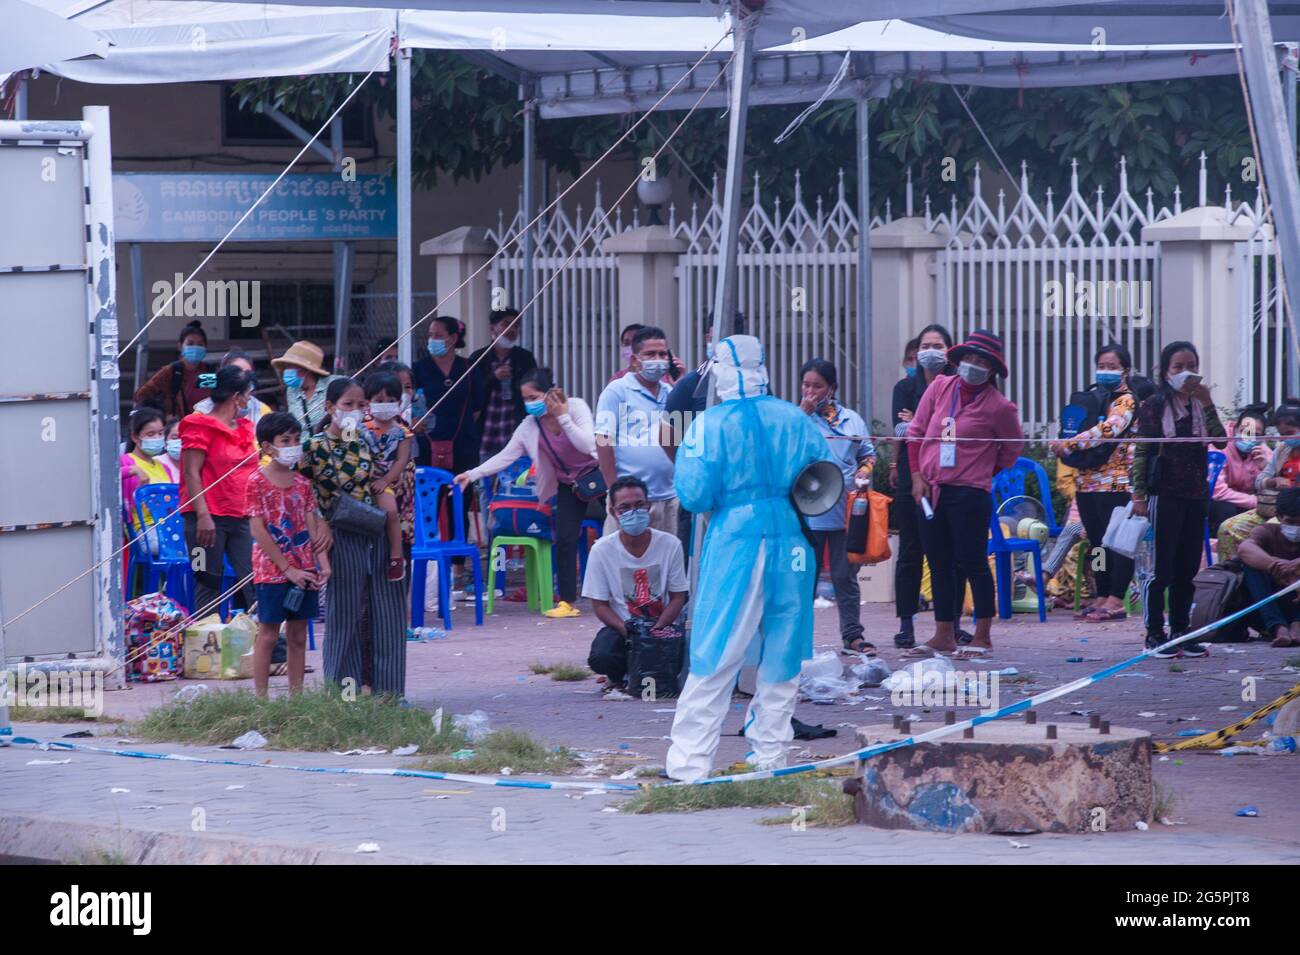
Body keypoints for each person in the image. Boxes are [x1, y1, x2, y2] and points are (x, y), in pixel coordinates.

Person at [666, 335, 834, 782]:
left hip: (736, 540)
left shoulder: (707, 425)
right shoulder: (795, 419)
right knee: (783, 651)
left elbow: (694, 494)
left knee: (716, 648)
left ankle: (690, 765)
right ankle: (771, 759)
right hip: (793, 540)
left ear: (719, 369)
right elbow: (823, 478)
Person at [905, 329, 1024, 659]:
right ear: (958, 361)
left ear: (991, 369)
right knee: (939, 562)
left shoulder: (1001, 407)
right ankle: (944, 634)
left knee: (972, 562)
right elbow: (915, 433)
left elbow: (1011, 450)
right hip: (931, 489)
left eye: (981, 361)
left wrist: (982, 470)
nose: (973, 365)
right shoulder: (940, 387)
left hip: (970, 493)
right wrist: (917, 476)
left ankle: (982, 636)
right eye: (969, 359)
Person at [455, 367, 597, 619]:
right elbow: (505, 456)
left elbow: (587, 444)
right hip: (570, 485)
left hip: (598, 476)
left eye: (535, 397)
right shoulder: (529, 426)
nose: (530, 403)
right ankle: (567, 601)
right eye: (526, 399)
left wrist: (563, 416)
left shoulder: (575, 407)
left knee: (616, 530)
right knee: (565, 538)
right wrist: (472, 474)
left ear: (551, 392)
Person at [299, 377, 408, 697]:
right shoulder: (313, 446)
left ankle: (387, 692)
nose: (357, 411)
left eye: (362, 405)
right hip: (339, 535)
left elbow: (381, 480)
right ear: (330, 407)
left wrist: (389, 497)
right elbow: (305, 495)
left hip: (374, 534)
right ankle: (343, 693)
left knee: (386, 615)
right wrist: (318, 526)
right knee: (344, 616)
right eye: (348, 404)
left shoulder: (365, 442)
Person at [1130, 340, 1226, 657]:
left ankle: (1182, 631)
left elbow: (1221, 441)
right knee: (1160, 569)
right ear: (1165, 371)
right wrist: (1139, 495)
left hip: (1195, 494)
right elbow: (1142, 452)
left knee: (1186, 569)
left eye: (1191, 367)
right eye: (1178, 367)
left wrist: (1208, 400)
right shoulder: (1153, 405)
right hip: (1163, 494)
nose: (1186, 373)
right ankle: (1155, 634)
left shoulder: (1201, 405)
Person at [1050, 343, 1139, 623]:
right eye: (1102, 366)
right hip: (1086, 482)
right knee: (1097, 544)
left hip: (1117, 484)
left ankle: (1116, 599)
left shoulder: (1126, 401)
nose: (1106, 371)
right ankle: (1101, 595)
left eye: (1112, 366)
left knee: (1118, 545)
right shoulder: (1092, 399)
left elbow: (1109, 429)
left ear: (1125, 369)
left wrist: (1071, 444)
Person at [246, 412, 330, 696]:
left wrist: (323, 563)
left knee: (298, 634)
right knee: (268, 634)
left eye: (296, 439)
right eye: (286, 440)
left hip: (305, 569)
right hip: (271, 571)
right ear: (268, 447)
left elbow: (311, 524)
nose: (293, 445)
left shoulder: (303, 484)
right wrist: (286, 568)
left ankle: (297, 698)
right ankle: (261, 699)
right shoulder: (256, 481)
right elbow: (258, 530)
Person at [798, 358, 876, 653]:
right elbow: (782, 450)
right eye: (806, 385)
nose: (810, 391)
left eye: (817, 386)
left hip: (846, 510)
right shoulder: (794, 419)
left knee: (846, 576)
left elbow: (868, 455)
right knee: (804, 577)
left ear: (831, 388)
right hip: (806, 512)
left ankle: (853, 635)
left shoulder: (851, 420)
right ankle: (799, 639)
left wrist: (864, 473)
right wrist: (802, 416)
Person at [583, 476, 689, 688]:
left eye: (639, 505)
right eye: (625, 508)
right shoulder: (601, 550)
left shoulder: (670, 544)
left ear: (648, 506)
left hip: (663, 627)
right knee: (601, 657)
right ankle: (622, 673)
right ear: (614, 512)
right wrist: (630, 632)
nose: (634, 512)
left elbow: (679, 597)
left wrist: (658, 628)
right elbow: (600, 606)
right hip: (624, 628)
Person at [660, 314, 746, 565]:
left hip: (739, 492)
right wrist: (689, 468)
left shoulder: (753, 386)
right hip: (700, 492)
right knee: (695, 561)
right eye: (714, 336)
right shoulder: (692, 384)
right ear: (708, 337)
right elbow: (666, 434)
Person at [890, 323, 955, 648]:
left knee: (946, 552)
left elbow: (953, 431)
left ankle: (950, 624)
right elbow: (902, 429)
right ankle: (906, 623)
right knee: (910, 553)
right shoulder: (904, 387)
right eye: (926, 345)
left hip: (946, 477)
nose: (931, 350)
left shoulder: (957, 386)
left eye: (938, 344)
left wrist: (918, 421)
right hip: (909, 477)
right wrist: (925, 424)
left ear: (949, 350)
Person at [412, 316, 487, 592]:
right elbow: (413, 402)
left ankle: (459, 568)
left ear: (453, 338)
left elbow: (477, 407)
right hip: (427, 444)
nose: (432, 339)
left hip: (462, 443)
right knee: (428, 504)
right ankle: (431, 568)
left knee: (460, 502)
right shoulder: (419, 368)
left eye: (438, 334)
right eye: (430, 334)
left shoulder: (468, 368)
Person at [178, 365, 259, 614]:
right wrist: (203, 516)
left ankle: (265, 642)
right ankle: (205, 645)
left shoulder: (244, 428)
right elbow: (191, 472)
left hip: (240, 517)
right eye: (247, 394)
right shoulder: (198, 426)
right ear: (236, 397)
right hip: (203, 520)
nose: (249, 400)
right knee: (206, 579)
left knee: (253, 579)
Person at [595, 325, 678, 535]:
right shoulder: (617, 391)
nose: (658, 359)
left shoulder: (672, 393)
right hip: (630, 502)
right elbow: (603, 442)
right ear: (634, 360)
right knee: (623, 561)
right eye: (650, 354)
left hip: (669, 499)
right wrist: (615, 492)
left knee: (669, 562)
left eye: (662, 354)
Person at [1218, 399, 1300, 560]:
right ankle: (1232, 576)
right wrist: (1272, 481)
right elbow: (1260, 481)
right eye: (1281, 434)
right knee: (1228, 528)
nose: (1284, 439)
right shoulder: (1282, 449)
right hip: (1276, 511)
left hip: (1293, 516)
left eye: (1289, 433)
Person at [362, 372, 414, 581]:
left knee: (391, 511)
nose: (385, 405)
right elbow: (346, 445)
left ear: (399, 402)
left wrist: (385, 480)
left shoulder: (403, 432)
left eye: (390, 401)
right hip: (359, 479)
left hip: (385, 481)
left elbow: (402, 460)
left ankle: (395, 556)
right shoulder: (358, 427)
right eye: (379, 401)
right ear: (368, 402)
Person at [469, 308, 537, 461]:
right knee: (483, 479)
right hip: (486, 431)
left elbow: (534, 390)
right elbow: (471, 393)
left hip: (515, 427)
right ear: (492, 328)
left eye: (516, 326)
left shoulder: (524, 358)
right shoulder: (479, 358)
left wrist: (515, 382)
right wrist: (494, 377)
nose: (512, 330)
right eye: (506, 324)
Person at [1237, 487, 1300, 648]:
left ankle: (1297, 625)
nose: (1296, 527)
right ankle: (1278, 627)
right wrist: (1275, 565)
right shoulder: (1267, 532)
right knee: (1251, 565)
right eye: (1291, 522)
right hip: (1270, 603)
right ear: (1278, 517)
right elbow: (1245, 549)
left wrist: (1296, 565)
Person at [121, 407, 180, 561]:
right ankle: (173, 582)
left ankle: (191, 581)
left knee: (201, 549)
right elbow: (106, 477)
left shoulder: (164, 466)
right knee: (182, 549)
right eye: (150, 434)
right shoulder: (127, 461)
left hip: (170, 527)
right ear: (135, 437)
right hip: (144, 530)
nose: (157, 438)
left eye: (160, 433)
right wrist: (132, 470)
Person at [1211, 404, 1271, 536]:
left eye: (1255, 435)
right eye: (1245, 432)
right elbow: (1217, 491)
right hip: (1222, 503)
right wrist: (1253, 501)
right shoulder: (1219, 446)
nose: (1249, 438)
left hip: (1248, 503)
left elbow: (1273, 489)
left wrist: (1264, 468)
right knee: (1225, 509)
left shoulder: (1263, 451)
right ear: (1235, 429)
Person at [133, 320, 211, 418]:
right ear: (180, 346)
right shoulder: (171, 371)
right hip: (177, 429)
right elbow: (141, 395)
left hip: (203, 427)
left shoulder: (208, 371)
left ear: (205, 347)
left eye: (200, 344)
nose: (195, 348)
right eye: (190, 344)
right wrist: (163, 416)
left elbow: (213, 399)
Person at [272, 340, 342, 434]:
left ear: (305, 369)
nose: (286, 370)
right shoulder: (292, 390)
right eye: (286, 366)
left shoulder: (335, 383)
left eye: (290, 366)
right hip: (306, 446)